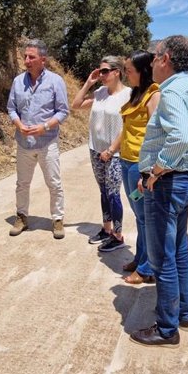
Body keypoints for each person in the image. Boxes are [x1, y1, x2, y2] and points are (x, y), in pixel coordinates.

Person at [130, 35, 188, 347]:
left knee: (162, 260)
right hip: (187, 180)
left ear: (165, 58)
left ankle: (166, 329)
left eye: (155, 57)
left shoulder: (170, 93)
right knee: (180, 249)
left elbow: (180, 136)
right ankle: (183, 312)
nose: (153, 63)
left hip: (167, 185)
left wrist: (158, 169)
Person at [7, 39, 70, 239]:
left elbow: (63, 111)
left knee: (54, 182)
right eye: (25, 56)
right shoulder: (18, 81)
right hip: (24, 143)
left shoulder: (55, 81)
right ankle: (22, 216)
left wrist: (44, 127)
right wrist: (19, 124)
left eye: (31, 57)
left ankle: (58, 219)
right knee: (22, 183)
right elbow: (11, 108)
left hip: (47, 142)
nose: (26, 60)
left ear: (43, 59)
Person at [71, 56, 131, 252]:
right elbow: (76, 105)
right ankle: (106, 229)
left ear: (117, 72)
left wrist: (111, 150)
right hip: (95, 149)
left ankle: (118, 235)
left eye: (105, 71)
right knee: (103, 190)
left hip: (115, 153)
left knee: (114, 193)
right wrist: (89, 82)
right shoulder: (99, 93)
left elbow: (128, 127)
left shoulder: (128, 95)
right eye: (100, 71)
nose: (102, 75)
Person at [115, 50, 161, 284]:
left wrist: (148, 172)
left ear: (143, 72)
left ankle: (146, 268)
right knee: (139, 215)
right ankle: (141, 258)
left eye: (129, 71)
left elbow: (155, 133)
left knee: (145, 217)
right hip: (127, 161)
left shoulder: (153, 94)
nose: (126, 75)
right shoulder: (136, 94)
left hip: (139, 165)